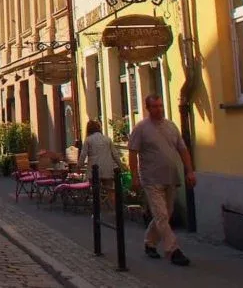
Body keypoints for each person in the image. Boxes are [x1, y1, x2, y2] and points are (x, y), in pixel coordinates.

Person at [129, 94, 196, 267]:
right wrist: (134, 176)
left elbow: (183, 149)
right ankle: (173, 250)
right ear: (148, 108)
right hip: (151, 178)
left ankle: (149, 242)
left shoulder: (171, 126)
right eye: (155, 106)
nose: (159, 109)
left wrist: (190, 171)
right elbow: (133, 152)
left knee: (166, 213)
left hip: (170, 177)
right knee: (161, 214)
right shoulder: (141, 128)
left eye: (160, 106)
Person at [79, 119, 123, 207]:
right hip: (107, 167)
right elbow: (115, 154)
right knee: (110, 190)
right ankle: (115, 208)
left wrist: (79, 165)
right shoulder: (107, 139)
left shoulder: (88, 140)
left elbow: (83, 154)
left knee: (96, 190)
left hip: (94, 169)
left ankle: (98, 210)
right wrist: (121, 165)